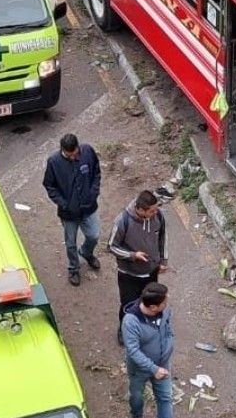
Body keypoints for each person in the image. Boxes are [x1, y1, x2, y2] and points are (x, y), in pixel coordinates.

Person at [122, 283, 188, 418]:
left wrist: (169, 342)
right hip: (140, 369)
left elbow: (167, 326)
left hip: (163, 365)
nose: (168, 303)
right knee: (137, 396)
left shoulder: (164, 311)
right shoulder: (131, 322)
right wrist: (153, 369)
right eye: (164, 302)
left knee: (165, 398)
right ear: (153, 307)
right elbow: (133, 351)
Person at [107, 190, 167, 343]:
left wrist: (162, 261)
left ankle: (147, 329)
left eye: (156, 209)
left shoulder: (158, 216)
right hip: (129, 274)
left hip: (151, 272)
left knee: (150, 303)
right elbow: (111, 246)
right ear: (141, 209)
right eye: (152, 210)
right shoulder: (123, 220)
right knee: (128, 305)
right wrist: (133, 256)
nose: (156, 212)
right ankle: (123, 329)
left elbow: (162, 238)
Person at [42, 133, 102, 285]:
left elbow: (96, 172)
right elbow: (50, 186)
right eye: (69, 156)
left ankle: (87, 253)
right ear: (62, 150)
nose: (73, 158)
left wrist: (93, 193)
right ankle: (74, 269)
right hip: (68, 213)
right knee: (70, 244)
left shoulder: (87, 151)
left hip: (89, 207)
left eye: (75, 154)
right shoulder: (54, 162)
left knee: (93, 235)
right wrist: (64, 204)